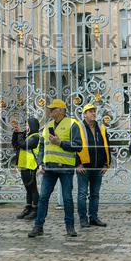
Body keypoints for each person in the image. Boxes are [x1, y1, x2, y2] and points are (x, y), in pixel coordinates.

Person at [28, 99, 83, 238]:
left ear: (61, 110)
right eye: (50, 109)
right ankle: (38, 226)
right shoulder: (48, 126)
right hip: (49, 168)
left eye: (53, 109)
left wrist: (60, 143)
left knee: (67, 199)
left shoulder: (72, 124)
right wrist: (40, 163)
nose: (50, 111)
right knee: (43, 198)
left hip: (66, 168)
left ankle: (70, 227)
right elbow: (42, 147)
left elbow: (78, 146)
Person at [76, 103, 110, 228]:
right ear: (84, 114)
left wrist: (106, 164)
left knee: (95, 194)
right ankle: (83, 219)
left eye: (94, 111)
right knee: (82, 194)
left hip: (98, 167)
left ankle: (93, 218)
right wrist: (77, 164)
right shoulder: (78, 127)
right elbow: (73, 146)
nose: (93, 113)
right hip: (83, 167)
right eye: (90, 111)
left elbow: (107, 146)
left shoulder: (101, 128)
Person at [11, 117, 41, 220]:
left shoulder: (35, 137)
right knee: (28, 189)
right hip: (24, 165)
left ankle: (35, 209)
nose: (26, 127)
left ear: (32, 126)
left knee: (33, 189)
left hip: (31, 166)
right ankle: (28, 208)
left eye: (28, 125)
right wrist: (16, 133)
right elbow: (16, 144)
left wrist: (20, 134)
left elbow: (24, 145)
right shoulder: (28, 136)